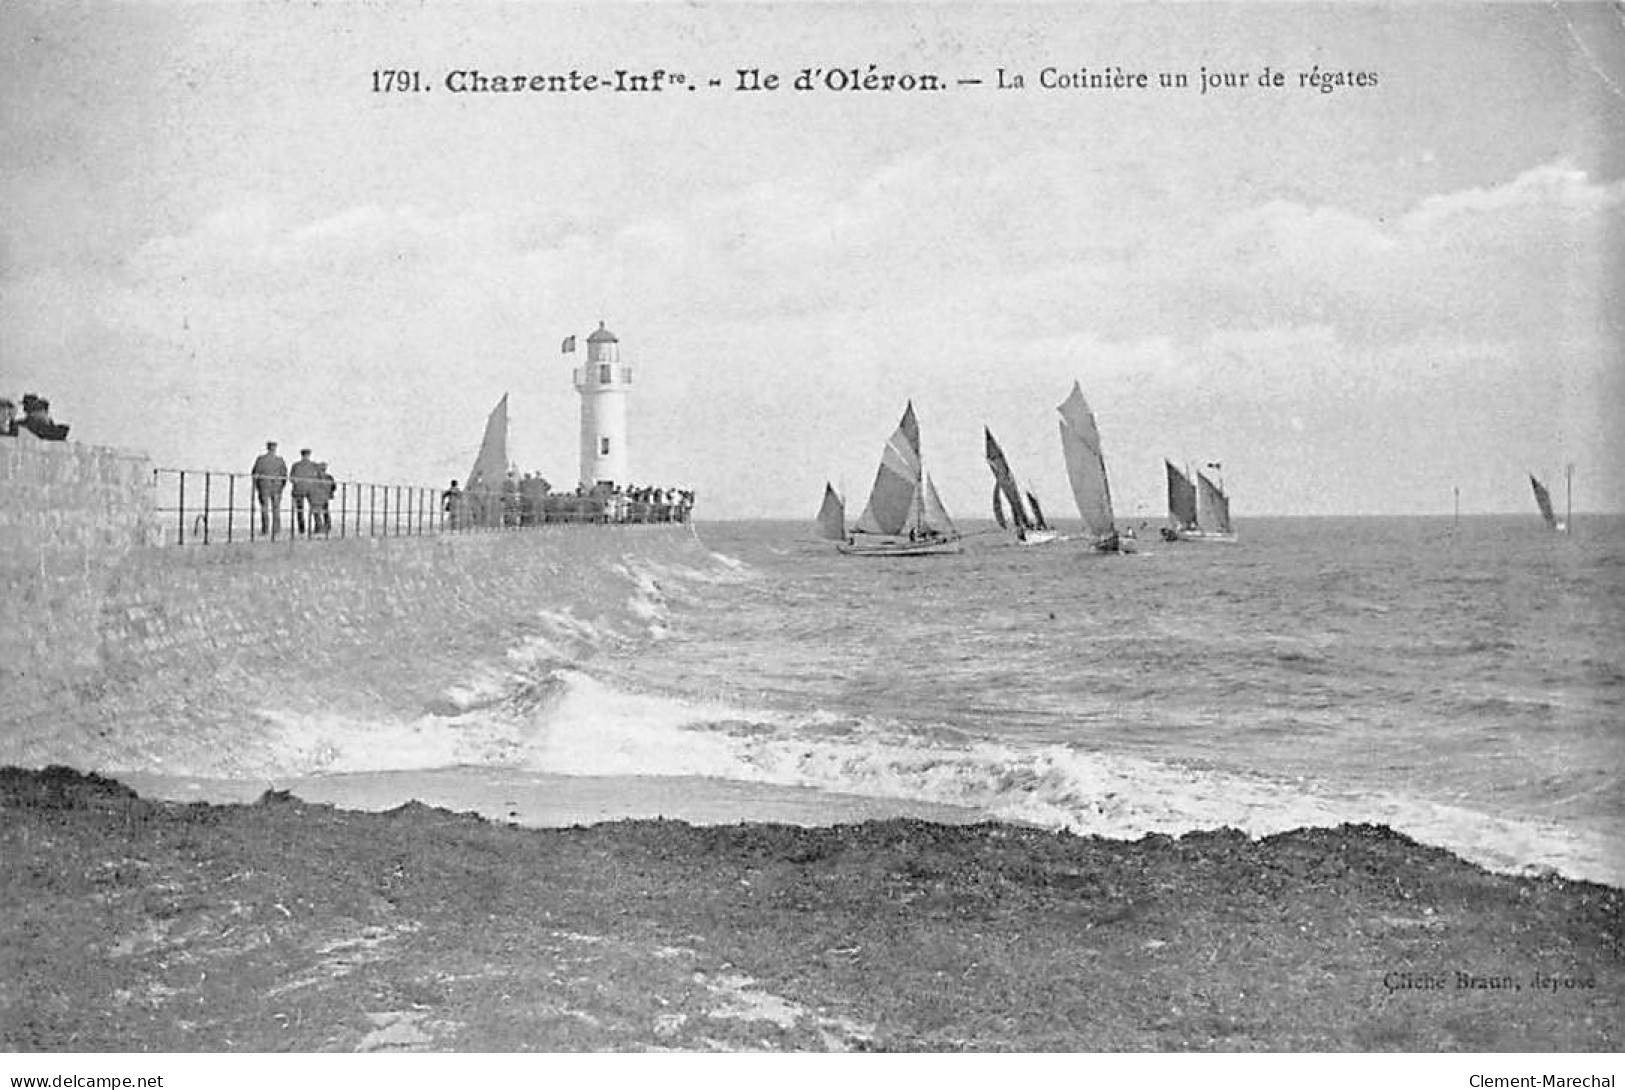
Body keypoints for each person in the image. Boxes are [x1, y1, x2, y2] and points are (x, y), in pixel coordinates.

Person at [250, 440, 288, 538]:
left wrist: (258, 486)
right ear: (275, 448)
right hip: (276, 487)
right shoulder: (280, 460)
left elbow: (255, 473)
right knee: (276, 509)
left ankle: (265, 529)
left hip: (264, 487)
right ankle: (276, 530)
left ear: (267, 448)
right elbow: (284, 475)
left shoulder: (261, 459)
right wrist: (281, 486)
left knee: (264, 509)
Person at [289, 447, 320, 534]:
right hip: (312, 490)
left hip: (299, 490)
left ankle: (301, 529)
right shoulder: (314, 465)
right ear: (309, 455)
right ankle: (318, 527)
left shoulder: (296, 465)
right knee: (315, 509)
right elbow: (319, 478)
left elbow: (291, 478)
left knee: (300, 510)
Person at [309, 463, 334, 535]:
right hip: (325, 497)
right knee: (326, 512)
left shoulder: (315, 478)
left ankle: (319, 528)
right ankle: (327, 527)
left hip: (316, 498)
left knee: (316, 513)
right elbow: (333, 487)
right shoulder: (329, 477)